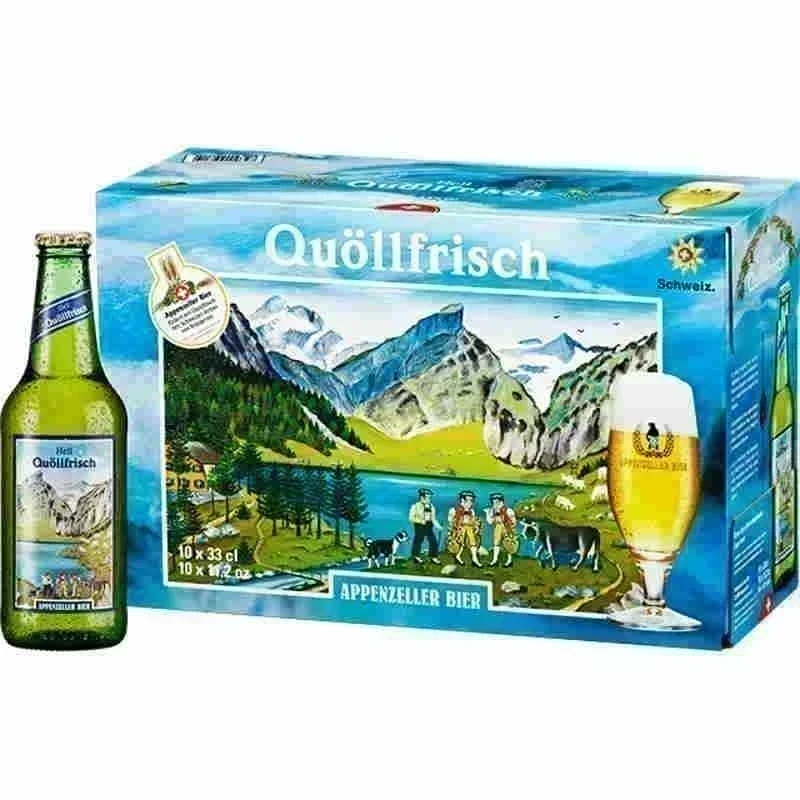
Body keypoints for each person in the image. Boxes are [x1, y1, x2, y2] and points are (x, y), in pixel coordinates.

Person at [447, 491, 483, 567]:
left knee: (473, 542)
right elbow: (450, 521)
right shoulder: (454, 510)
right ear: (462, 500)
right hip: (459, 530)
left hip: (469, 529)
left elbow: (473, 520)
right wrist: (451, 532)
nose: (471, 503)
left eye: (472, 501)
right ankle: (458, 556)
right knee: (461, 543)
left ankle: (474, 559)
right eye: (469, 500)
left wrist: (476, 526)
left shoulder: (471, 511)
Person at [485, 493, 519, 567]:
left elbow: (514, 521)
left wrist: (511, 527)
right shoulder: (492, 511)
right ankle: (495, 560)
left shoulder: (508, 510)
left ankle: (509, 561)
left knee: (508, 544)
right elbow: (490, 522)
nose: (495, 504)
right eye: (494, 502)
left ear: (501, 502)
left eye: (497, 502)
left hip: (507, 528)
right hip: (497, 527)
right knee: (496, 544)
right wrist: (488, 513)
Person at [408, 488, 442, 565]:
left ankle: (433, 557)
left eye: (430, 497)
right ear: (422, 497)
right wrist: (420, 521)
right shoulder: (415, 506)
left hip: (429, 525)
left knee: (433, 541)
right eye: (428, 497)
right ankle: (416, 557)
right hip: (419, 526)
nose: (429, 499)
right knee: (418, 540)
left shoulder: (431, 506)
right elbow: (411, 518)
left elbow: (433, 519)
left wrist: (438, 526)